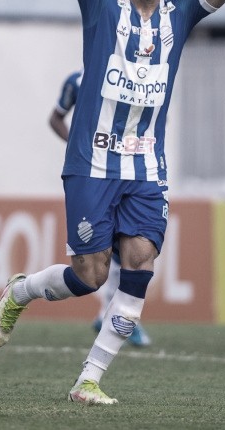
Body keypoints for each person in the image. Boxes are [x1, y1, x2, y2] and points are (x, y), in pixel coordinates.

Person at [0, 0, 225, 404]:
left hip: (146, 168)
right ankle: (21, 291)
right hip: (92, 162)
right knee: (88, 275)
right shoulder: (101, 2)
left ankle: (90, 379)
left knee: (139, 264)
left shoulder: (182, 11)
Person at [49, 69, 151, 347]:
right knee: (97, 259)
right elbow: (55, 117)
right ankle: (111, 314)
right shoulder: (77, 81)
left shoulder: (133, 77)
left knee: (130, 248)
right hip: (92, 177)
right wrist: (77, 145)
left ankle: (114, 315)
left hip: (129, 174)